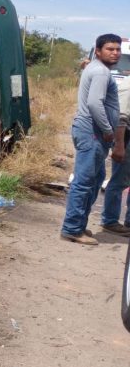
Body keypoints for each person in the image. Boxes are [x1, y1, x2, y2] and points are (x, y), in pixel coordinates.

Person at [60, 34, 122, 245]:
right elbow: (95, 103)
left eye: (117, 49)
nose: (115, 53)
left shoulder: (95, 69)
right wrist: (107, 130)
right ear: (97, 51)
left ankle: (78, 225)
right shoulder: (101, 72)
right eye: (109, 49)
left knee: (95, 180)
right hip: (92, 131)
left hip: (91, 130)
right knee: (84, 182)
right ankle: (72, 229)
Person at [100, 70, 130, 236]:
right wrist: (119, 145)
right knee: (119, 181)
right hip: (125, 137)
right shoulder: (128, 85)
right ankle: (110, 221)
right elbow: (121, 118)